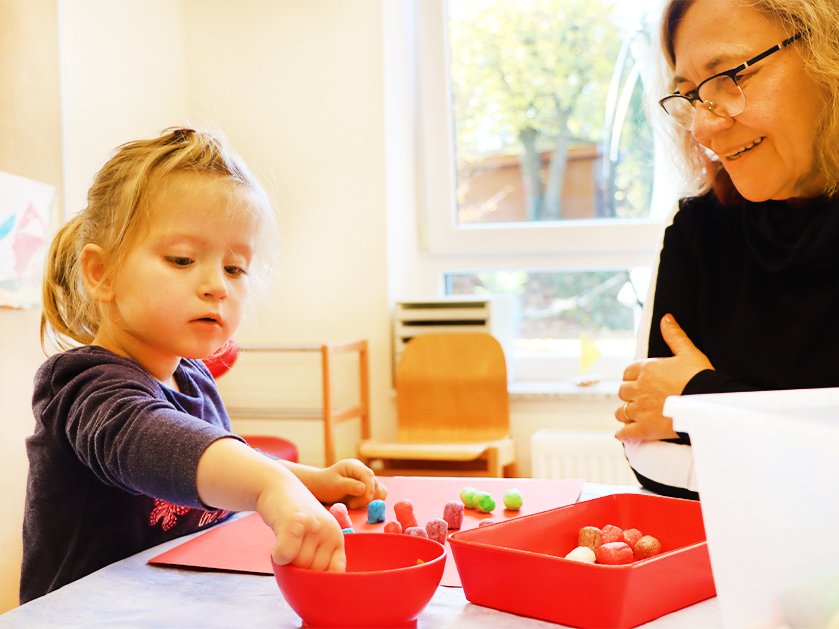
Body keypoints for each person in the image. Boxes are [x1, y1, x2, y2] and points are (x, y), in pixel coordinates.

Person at [21, 128, 387, 603]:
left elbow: (224, 460)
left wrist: (311, 481)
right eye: (182, 259)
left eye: (235, 268)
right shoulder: (79, 383)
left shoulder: (192, 376)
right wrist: (270, 485)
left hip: (181, 604)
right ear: (101, 273)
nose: (217, 285)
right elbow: (150, 438)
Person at [614, 0, 839, 498]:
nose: (701, 126)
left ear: (829, 51)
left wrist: (698, 401)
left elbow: (671, 413)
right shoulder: (701, 231)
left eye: (728, 76)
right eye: (691, 95)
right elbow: (650, 447)